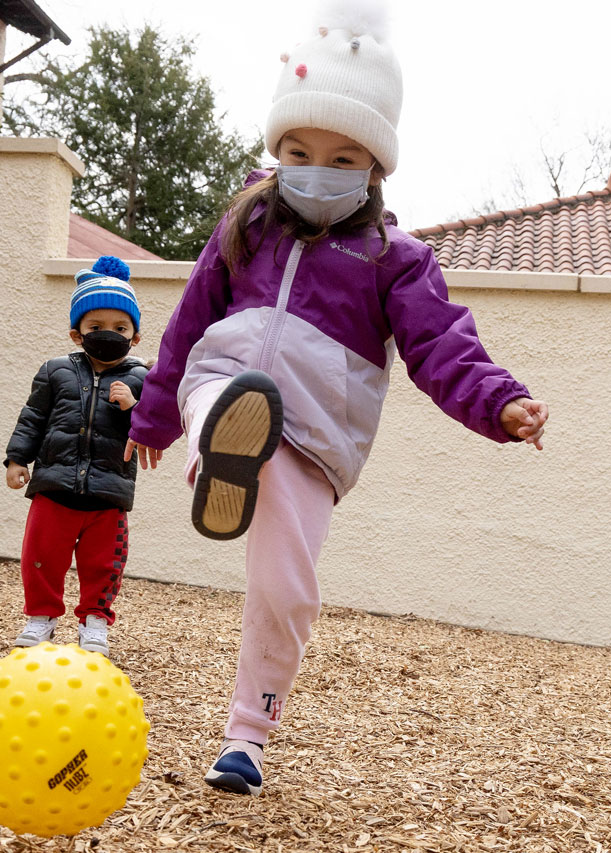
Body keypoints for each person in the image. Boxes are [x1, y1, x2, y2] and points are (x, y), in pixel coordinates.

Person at [126, 1, 548, 797]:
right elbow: (189, 319)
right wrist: (154, 409)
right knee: (223, 393)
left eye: (342, 154)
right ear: (275, 148)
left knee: (286, 588)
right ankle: (219, 449)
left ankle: (247, 732)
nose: (315, 165)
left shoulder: (396, 258)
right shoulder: (247, 221)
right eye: (297, 149)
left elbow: (440, 345)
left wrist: (499, 403)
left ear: (377, 166)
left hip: (315, 442)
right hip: (227, 382)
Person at [5, 256, 148, 657]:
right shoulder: (55, 371)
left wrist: (133, 405)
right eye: (96, 327)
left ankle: (95, 623)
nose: (109, 334)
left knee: (104, 564)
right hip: (54, 485)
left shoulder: (140, 379)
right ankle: (40, 617)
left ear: (135, 336)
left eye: (120, 328)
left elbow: (151, 430)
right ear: (76, 333)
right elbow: (32, 417)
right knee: (41, 557)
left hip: (108, 492)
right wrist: (18, 459)